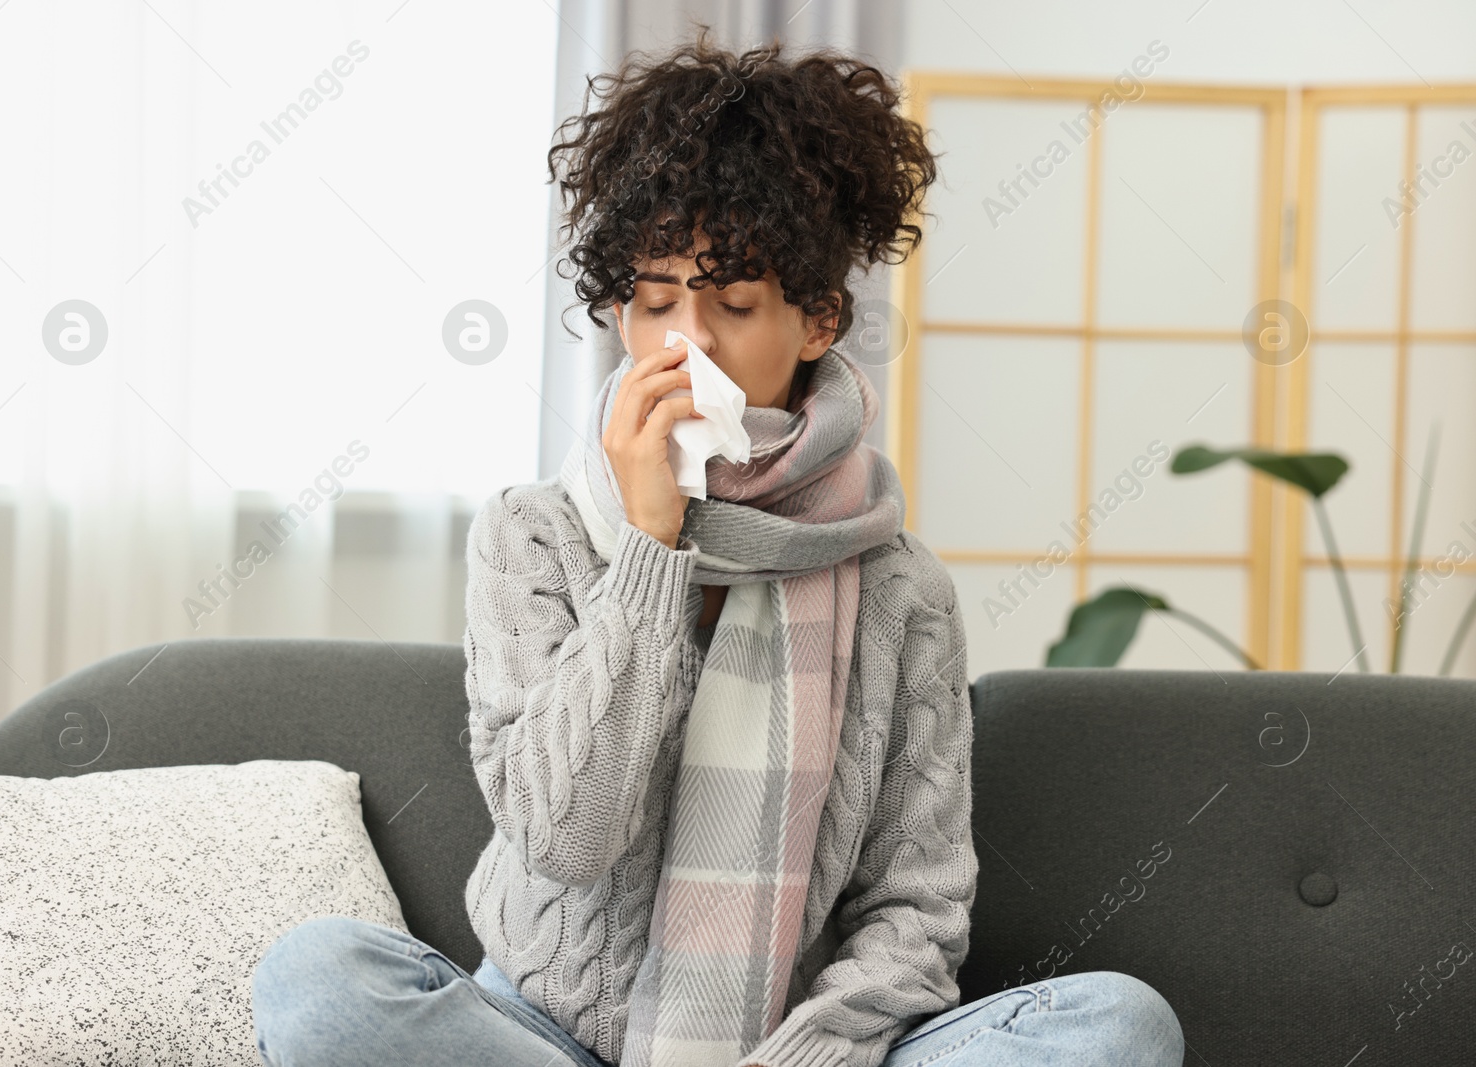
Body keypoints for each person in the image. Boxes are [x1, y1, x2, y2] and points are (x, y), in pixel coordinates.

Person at [250, 28, 1186, 1067]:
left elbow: (915, 915)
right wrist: (651, 547)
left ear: (819, 318)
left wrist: (800, 1058)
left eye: (734, 304)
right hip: (540, 1033)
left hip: (790, 1048)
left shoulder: (898, 583)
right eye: (653, 302)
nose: (684, 342)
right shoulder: (533, 534)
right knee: (320, 980)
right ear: (618, 310)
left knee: (1117, 1023)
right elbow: (564, 838)